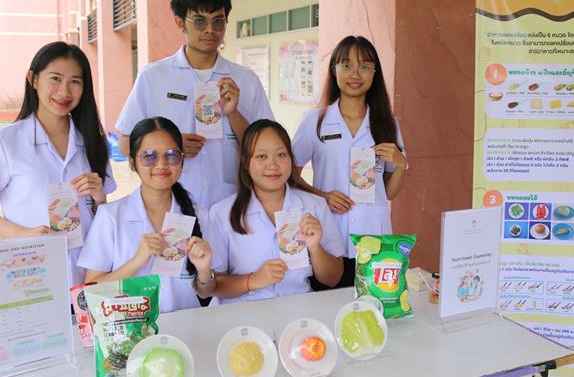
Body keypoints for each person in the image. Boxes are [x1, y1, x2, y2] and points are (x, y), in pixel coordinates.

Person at [115, 0, 273, 207]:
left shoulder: (245, 80)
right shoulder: (153, 77)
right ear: (180, 22)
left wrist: (234, 114)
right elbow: (125, 143)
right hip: (171, 205)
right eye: (200, 21)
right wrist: (173, 145)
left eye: (218, 21)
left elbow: (267, 147)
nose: (210, 30)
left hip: (232, 205)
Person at [292, 36, 407, 289]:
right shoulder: (315, 121)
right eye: (346, 65)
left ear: (374, 73)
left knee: (374, 309)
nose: (355, 74)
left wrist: (401, 163)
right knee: (329, 306)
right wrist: (322, 196)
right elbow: (291, 174)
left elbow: (390, 192)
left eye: (365, 66)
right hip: (329, 231)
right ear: (334, 70)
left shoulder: (388, 123)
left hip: (373, 235)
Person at [0, 41, 116, 286]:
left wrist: (99, 199)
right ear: (33, 79)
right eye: (55, 78)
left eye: (75, 81)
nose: (65, 91)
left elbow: (103, 217)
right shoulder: (7, 142)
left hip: (87, 275)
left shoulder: (94, 141)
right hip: (29, 274)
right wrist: (25, 235)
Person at [78, 117, 215, 313]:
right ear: (133, 163)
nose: (161, 164)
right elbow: (89, 293)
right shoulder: (110, 217)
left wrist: (203, 270)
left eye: (171, 155)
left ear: (182, 161)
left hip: (186, 334)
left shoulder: (200, 214)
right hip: (131, 336)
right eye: (149, 156)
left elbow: (206, 293)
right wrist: (136, 262)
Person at [207, 119, 343, 304]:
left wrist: (315, 248)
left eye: (281, 154)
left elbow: (332, 278)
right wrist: (253, 280)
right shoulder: (221, 213)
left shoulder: (315, 206)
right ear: (246, 161)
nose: (273, 165)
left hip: (297, 311)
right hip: (242, 318)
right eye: (262, 156)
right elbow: (214, 286)